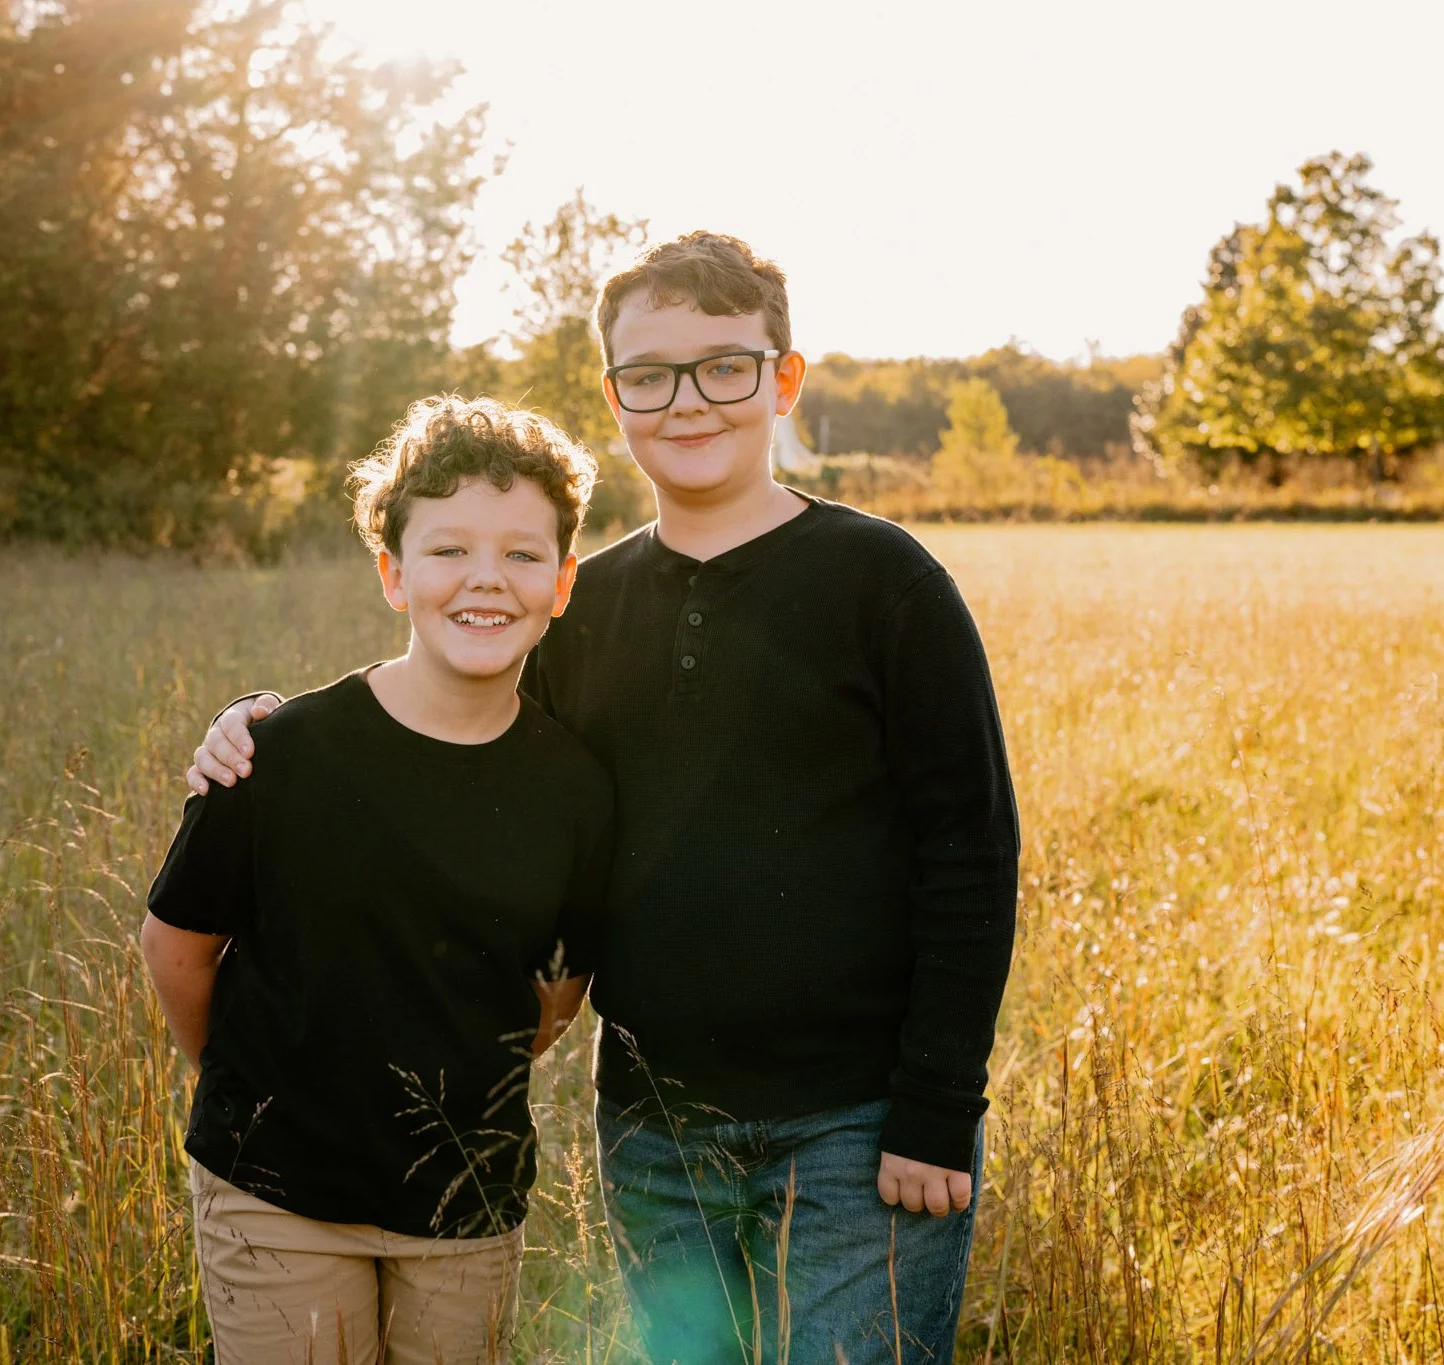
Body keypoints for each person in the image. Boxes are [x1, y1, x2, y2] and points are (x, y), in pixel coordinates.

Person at [190, 232, 1020, 1364]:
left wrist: (934, 1107)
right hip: (654, 1130)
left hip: (859, 1122)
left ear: (782, 378)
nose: (686, 402)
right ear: (613, 393)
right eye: (648, 374)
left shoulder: (886, 584)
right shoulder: (587, 603)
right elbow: (451, 719)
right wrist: (261, 723)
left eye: (723, 366)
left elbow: (968, 849)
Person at [140, 395, 615, 1364]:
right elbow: (177, 948)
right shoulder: (280, 754)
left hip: (463, 1200)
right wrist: (242, 1086)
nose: (484, 581)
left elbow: (557, 995)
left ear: (562, 584)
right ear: (394, 575)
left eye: (522, 554)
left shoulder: (574, 788)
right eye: (447, 551)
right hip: (273, 1193)